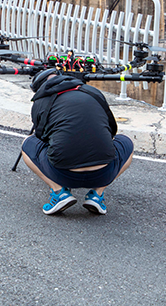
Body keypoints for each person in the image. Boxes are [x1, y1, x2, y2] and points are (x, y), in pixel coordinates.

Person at [21, 69, 134, 215]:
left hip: (62, 173)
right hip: (104, 173)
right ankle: (97, 195)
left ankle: (59, 192)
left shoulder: (41, 101)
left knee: (28, 143)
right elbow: (112, 129)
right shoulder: (92, 92)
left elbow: (41, 137)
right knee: (126, 142)